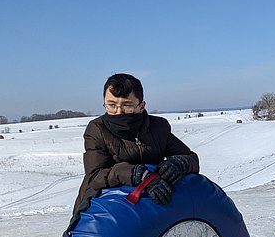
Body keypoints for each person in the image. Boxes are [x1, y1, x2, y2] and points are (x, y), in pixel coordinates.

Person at [73, 73, 200, 213]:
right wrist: (135, 174)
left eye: (126, 105)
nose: (118, 111)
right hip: (100, 208)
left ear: (141, 106)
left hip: (147, 205)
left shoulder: (158, 127)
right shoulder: (97, 129)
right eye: (111, 105)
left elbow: (190, 158)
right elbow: (95, 176)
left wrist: (177, 164)